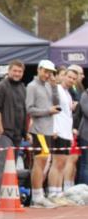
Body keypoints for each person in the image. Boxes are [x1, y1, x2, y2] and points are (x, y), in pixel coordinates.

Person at [26, 59, 61, 209]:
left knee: (44, 162)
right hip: (39, 130)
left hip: (48, 130)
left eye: (50, 72)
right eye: (46, 71)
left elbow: (56, 104)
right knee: (39, 163)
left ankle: (38, 195)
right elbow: (30, 109)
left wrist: (53, 87)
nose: (48, 75)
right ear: (39, 69)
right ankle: (37, 196)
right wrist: (48, 111)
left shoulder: (48, 85)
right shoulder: (32, 86)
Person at [0, 59, 27, 196]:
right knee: (3, 165)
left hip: (18, 133)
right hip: (4, 132)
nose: (17, 74)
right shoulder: (1, 86)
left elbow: (24, 110)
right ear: (9, 70)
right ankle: (1, 195)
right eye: (15, 71)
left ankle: (9, 194)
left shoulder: (23, 87)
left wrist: (26, 132)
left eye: (20, 71)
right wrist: (0, 130)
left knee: (12, 165)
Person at [47, 66, 75, 205]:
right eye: (69, 77)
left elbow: (68, 115)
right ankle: (52, 192)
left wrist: (70, 134)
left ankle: (58, 192)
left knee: (63, 163)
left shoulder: (68, 94)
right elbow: (52, 110)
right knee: (57, 163)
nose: (71, 80)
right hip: (58, 131)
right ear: (63, 76)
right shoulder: (56, 90)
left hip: (66, 132)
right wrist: (53, 129)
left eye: (74, 79)